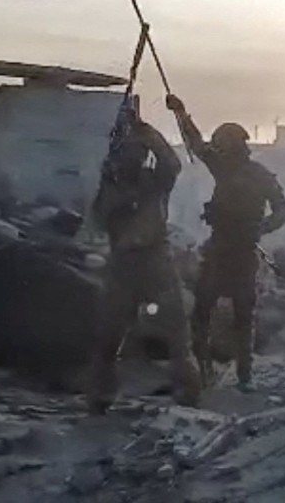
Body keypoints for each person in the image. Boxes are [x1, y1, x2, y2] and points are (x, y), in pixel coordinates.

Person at [166, 95, 285, 392]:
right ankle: (206, 368)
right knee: (203, 312)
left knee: (242, 315)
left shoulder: (258, 176)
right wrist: (181, 113)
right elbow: (196, 144)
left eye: (223, 145)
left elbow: (283, 209)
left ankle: (244, 374)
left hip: (242, 252)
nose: (219, 151)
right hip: (219, 248)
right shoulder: (225, 168)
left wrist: (262, 227)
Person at [86, 105, 201, 413]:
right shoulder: (109, 187)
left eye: (137, 153)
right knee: (109, 336)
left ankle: (188, 392)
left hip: (155, 260)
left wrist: (146, 132)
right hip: (123, 264)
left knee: (177, 333)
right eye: (127, 153)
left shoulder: (154, 181)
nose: (132, 158)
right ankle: (100, 396)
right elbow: (98, 219)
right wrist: (112, 182)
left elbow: (171, 162)